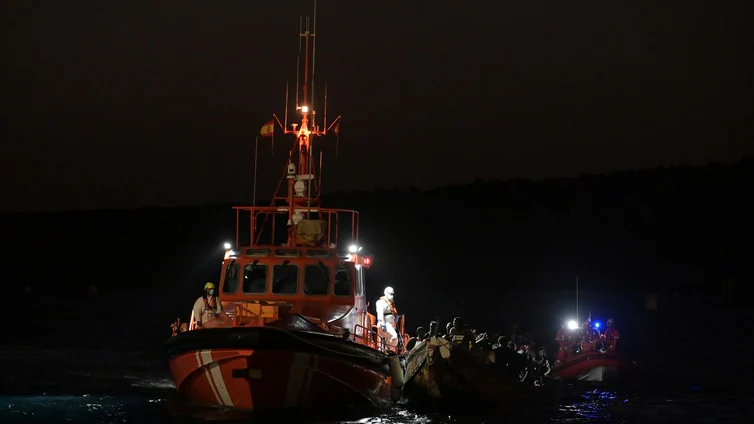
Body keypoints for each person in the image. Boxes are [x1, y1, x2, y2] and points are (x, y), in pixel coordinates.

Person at [375, 286, 399, 351]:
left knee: (386, 341)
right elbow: (380, 314)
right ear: (386, 293)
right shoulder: (380, 302)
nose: (392, 295)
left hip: (390, 324)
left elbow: (392, 312)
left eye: (392, 294)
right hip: (385, 324)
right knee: (394, 337)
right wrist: (383, 325)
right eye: (390, 294)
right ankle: (388, 349)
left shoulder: (391, 303)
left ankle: (385, 350)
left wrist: (396, 317)